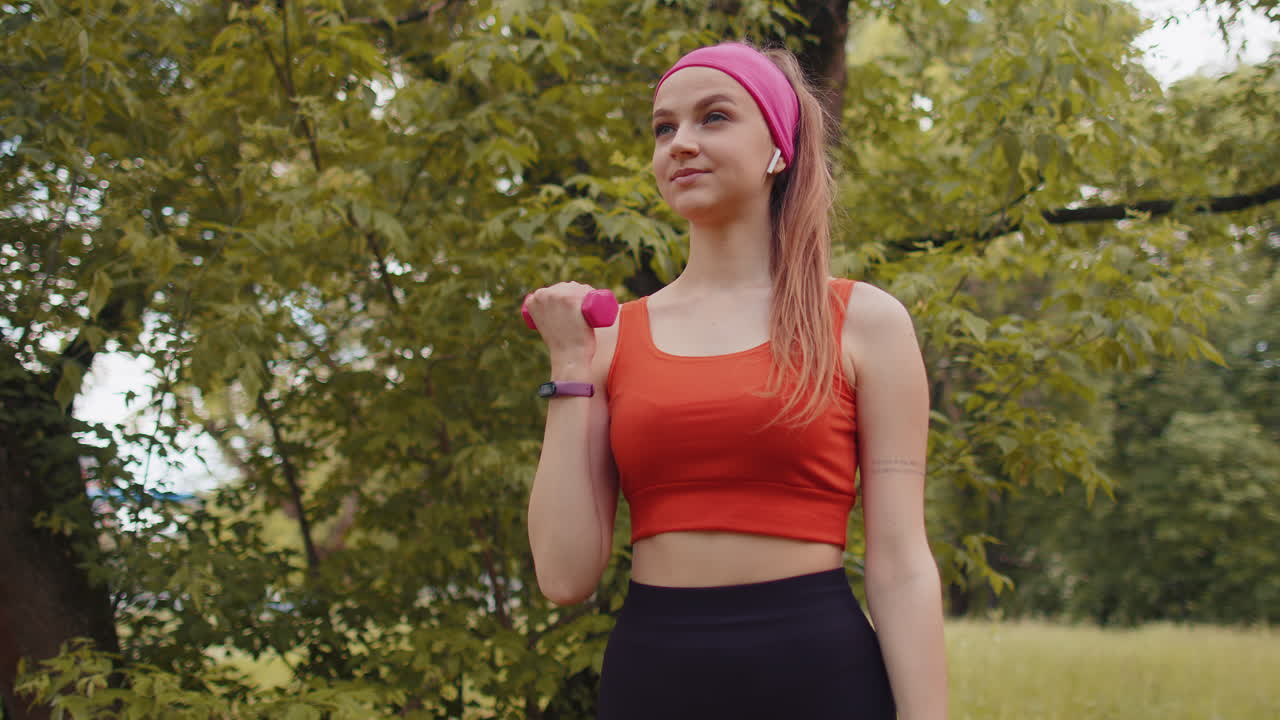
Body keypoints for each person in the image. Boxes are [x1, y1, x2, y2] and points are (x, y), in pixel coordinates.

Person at [524, 41, 947, 720]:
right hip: (655, 680)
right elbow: (564, 576)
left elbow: (900, 563)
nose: (681, 143)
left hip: (821, 677)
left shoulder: (864, 322)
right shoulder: (609, 340)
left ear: (779, 149)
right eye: (665, 127)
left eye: (713, 118)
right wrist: (570, 369)